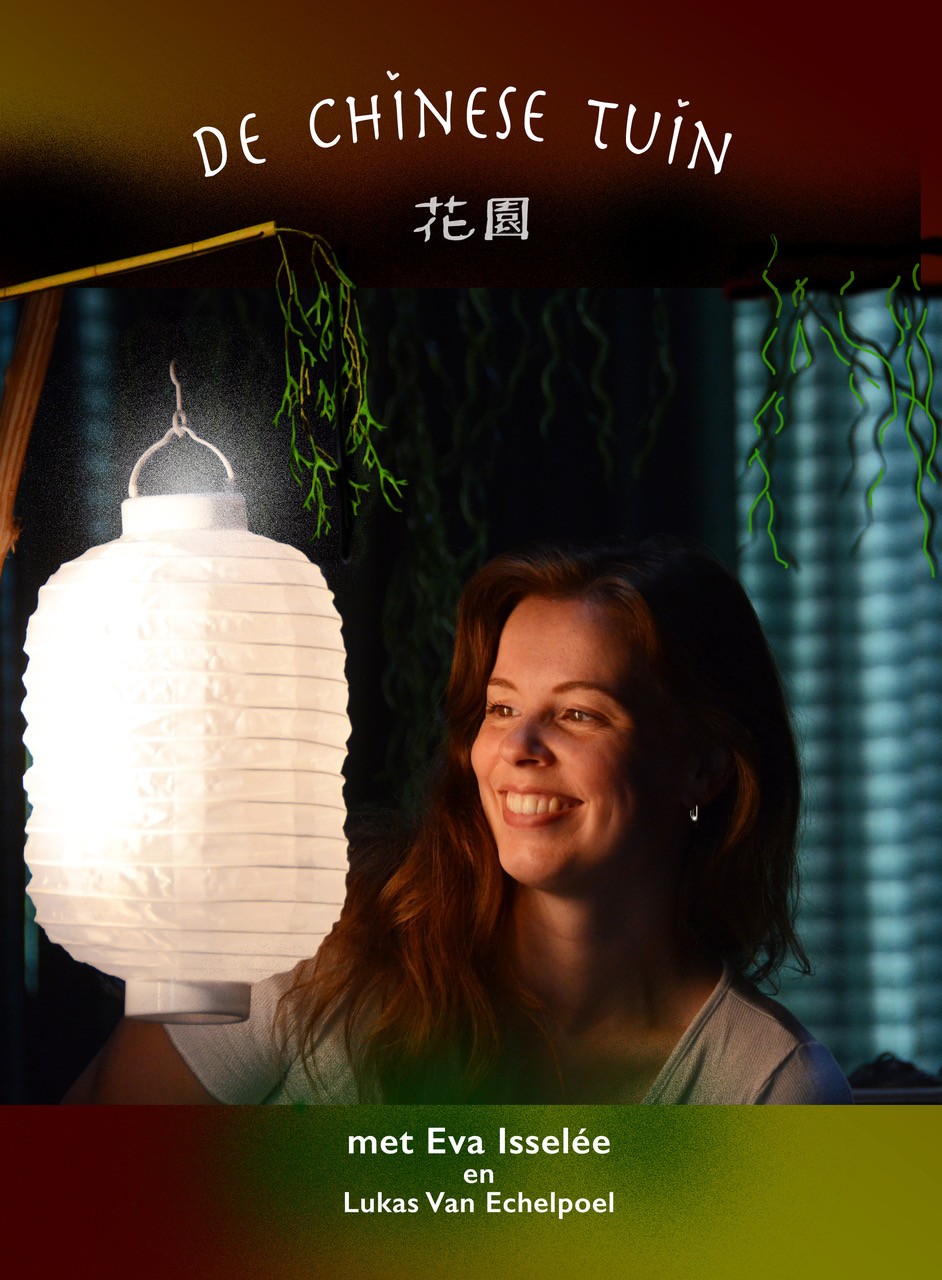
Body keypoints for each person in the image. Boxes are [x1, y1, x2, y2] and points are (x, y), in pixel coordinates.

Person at [64, 536, 852, 1104]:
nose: (516, 748)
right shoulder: (309, 941)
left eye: (578, 713)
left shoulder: (768, 1085)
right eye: (501, 707)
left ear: (705, 766)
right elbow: (79, 1198)